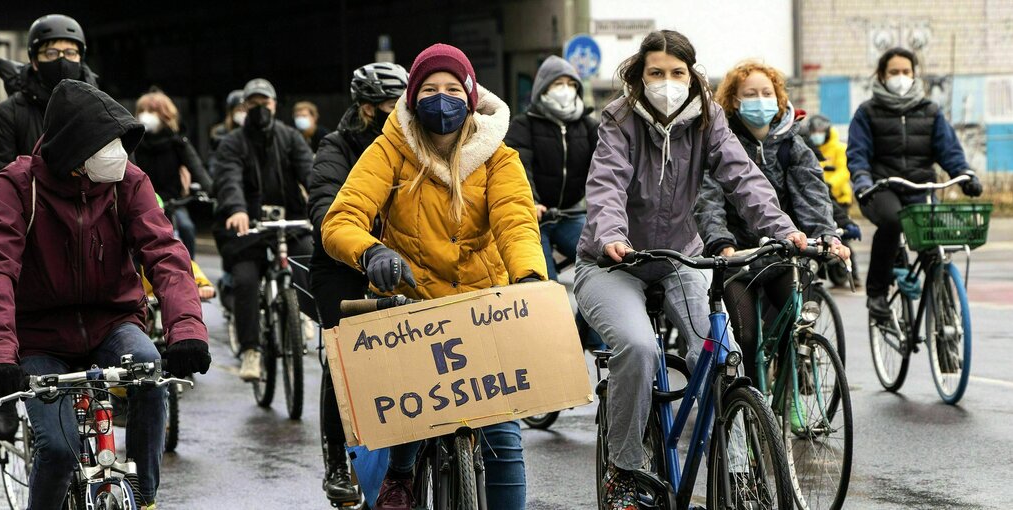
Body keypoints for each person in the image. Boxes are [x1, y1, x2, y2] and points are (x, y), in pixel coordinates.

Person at [571, 31, 805, 510]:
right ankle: (625, 470)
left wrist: (784, 230)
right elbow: (607, 183)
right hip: (612, 263)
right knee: (636, 347)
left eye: (678, 73)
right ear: (640, 76)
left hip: (681, 258)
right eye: (656, 73)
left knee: (723, 356)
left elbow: (742, 177)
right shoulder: (617, 120)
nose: (668, 82)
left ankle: (740, 474)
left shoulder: (709, 119)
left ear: (692, 75)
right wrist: (613, 234)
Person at [322, 43, 545, 510]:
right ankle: (400, 475)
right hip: (412, 307)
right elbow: (340, 220)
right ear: (411, 99)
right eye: (428, 89)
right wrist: (371, 252)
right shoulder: (390, 149)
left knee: (504, 441)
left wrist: (527, 278)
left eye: (451, 88)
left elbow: (516, 223)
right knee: (409, 418)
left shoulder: (499, 157)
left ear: (469, 95)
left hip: (483, 310)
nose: (440, 99)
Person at [0, 80, 211, 510]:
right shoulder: (16, 185)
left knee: (149, 370)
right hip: (38, 337)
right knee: (57, 449)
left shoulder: (128, 181)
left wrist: (187, 327)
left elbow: (165, 252)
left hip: (113, 323)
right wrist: (0, 352)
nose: (118, 153)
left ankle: (145, 497)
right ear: (74, 149)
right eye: (106, 144)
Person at [695, 61, 849, 400]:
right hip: (737, 255)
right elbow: (708, 199)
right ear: (734, 100)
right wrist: (721, 242)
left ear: (779, 99)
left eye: (767, 93)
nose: (760, 99)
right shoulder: (721, 141)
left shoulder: (793, 144)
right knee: (745, 335)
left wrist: (826, 235)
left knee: (797, 322)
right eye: (750, 93)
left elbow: (813, 194)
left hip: (783, 248)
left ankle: (793, 387)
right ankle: (747, 408)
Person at [305, 61, 407, 504]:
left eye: (401, 104)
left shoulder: (415, 143)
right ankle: (336, 464)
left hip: (405, 263)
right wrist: (366, 249)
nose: (397, 112)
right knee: (342, 357)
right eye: (387, 105)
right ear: (365, 108)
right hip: (342, 263)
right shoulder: (336, 146)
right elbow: (326, 208)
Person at [847, 47, 983, 318]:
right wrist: (862, 182)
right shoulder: (867, 112)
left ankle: (941, 303)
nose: (901, 77)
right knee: (893, 222)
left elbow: (949, 151)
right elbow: (858, 154)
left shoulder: (930, 110)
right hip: (881, 187)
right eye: (894, 72)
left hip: (921, 186)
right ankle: (876, 294)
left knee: (934, 239)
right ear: (882, 76)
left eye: (906, 71)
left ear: (914, 74)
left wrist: (965, 175)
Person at [211, 78, 313, 381]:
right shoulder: (232, 142)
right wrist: (237, 209)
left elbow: (310, 172)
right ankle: (251, 350)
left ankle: (304, 314)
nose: (260, 109)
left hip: (289, 220)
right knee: (245, 278)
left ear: (275, 105)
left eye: (265, 103)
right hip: (249, 226)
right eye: (253, 104)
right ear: (245, 106)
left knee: (308, 256)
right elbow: (228, 177)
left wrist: (324, 206)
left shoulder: (291, 138)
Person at [504, 55, 604, 349]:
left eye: (569, 84)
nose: (563, 89)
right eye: (556, 84)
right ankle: (555, 346)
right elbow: (519, 166)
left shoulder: (589, 126)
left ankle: (593, 337)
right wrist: (531, 201)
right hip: (535, 216)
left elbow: (607, 169)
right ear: (542, 90)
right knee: (544, 284)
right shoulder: (523, 125)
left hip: (573, 213)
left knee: (604, 265)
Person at [0, 14, 99, 172]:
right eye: (51, 53)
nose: (62, 61)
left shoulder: (101, 109)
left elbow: (126, 177)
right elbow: (0, 178)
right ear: (35, 62)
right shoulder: (9, 114)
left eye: (70, 52)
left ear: (80, 58)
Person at [133, 91, 213, 259]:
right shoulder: (135, 143)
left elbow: (197, 168)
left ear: (164, 115)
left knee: (187, 228)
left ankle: (189, 271)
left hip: (173, 202)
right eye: (144, 110)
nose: (147, 116)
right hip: (143, 202)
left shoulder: (178, 143)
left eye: (152, 111)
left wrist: (212, 191)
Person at [209, 89, 246, 153]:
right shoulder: (219, 131)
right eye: (239, 109)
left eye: (245, 109)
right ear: (231, 111)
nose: (242, 112)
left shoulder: (252, 129)